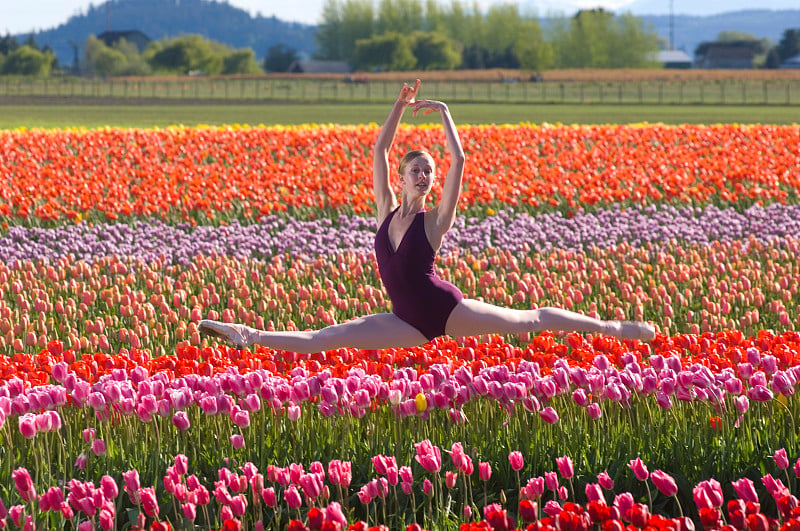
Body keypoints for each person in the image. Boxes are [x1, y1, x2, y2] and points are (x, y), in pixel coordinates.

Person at [199, 79, 655, 353]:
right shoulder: (384, 210)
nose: (424, 175)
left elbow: (459, 160)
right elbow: (379, 148)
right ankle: (247, 334)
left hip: (447, 311)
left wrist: (444, 113)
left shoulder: (434, 222)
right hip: (403, 322)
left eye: (428, 172)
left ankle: (614, 328)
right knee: (325, 337)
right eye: (416, 169)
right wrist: (400, 104)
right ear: (401, 177)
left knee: (531, 319)